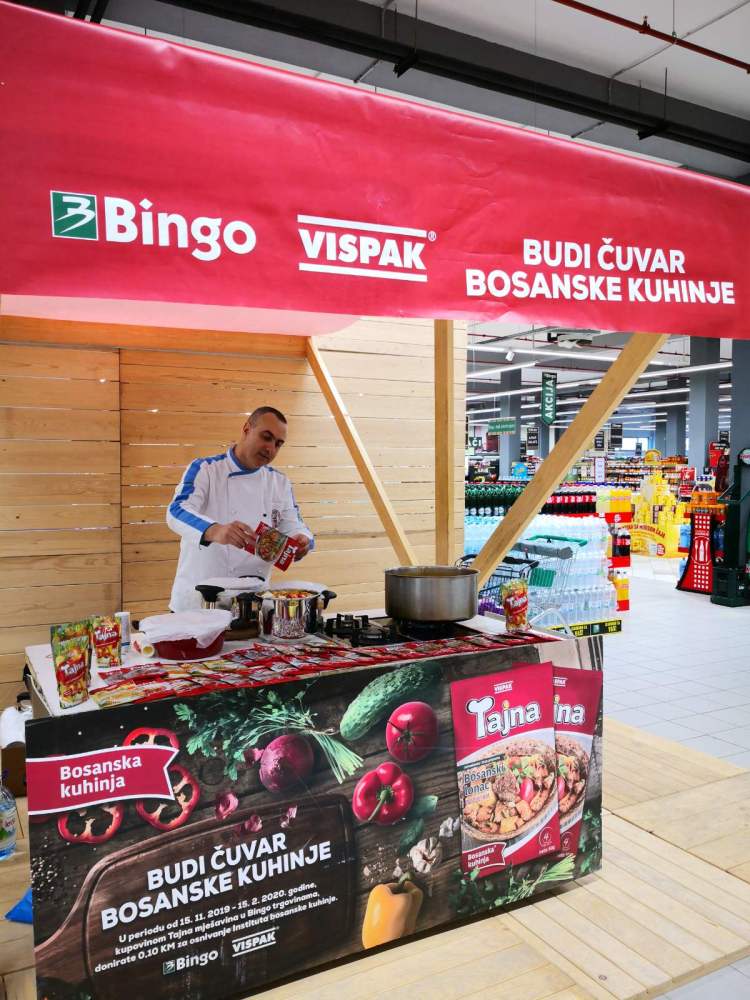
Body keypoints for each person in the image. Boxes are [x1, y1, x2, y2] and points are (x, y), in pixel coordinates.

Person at [166, 406, 313, 611]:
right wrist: (214, 530)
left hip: (252, 603)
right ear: (246, 429)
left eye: (278, 444)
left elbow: (294, 524)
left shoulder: (279, 482)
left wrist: (303, 540)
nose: (270, 449)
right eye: (266, 437)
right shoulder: (206, 469)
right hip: (199, 602)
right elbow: (177, 511)